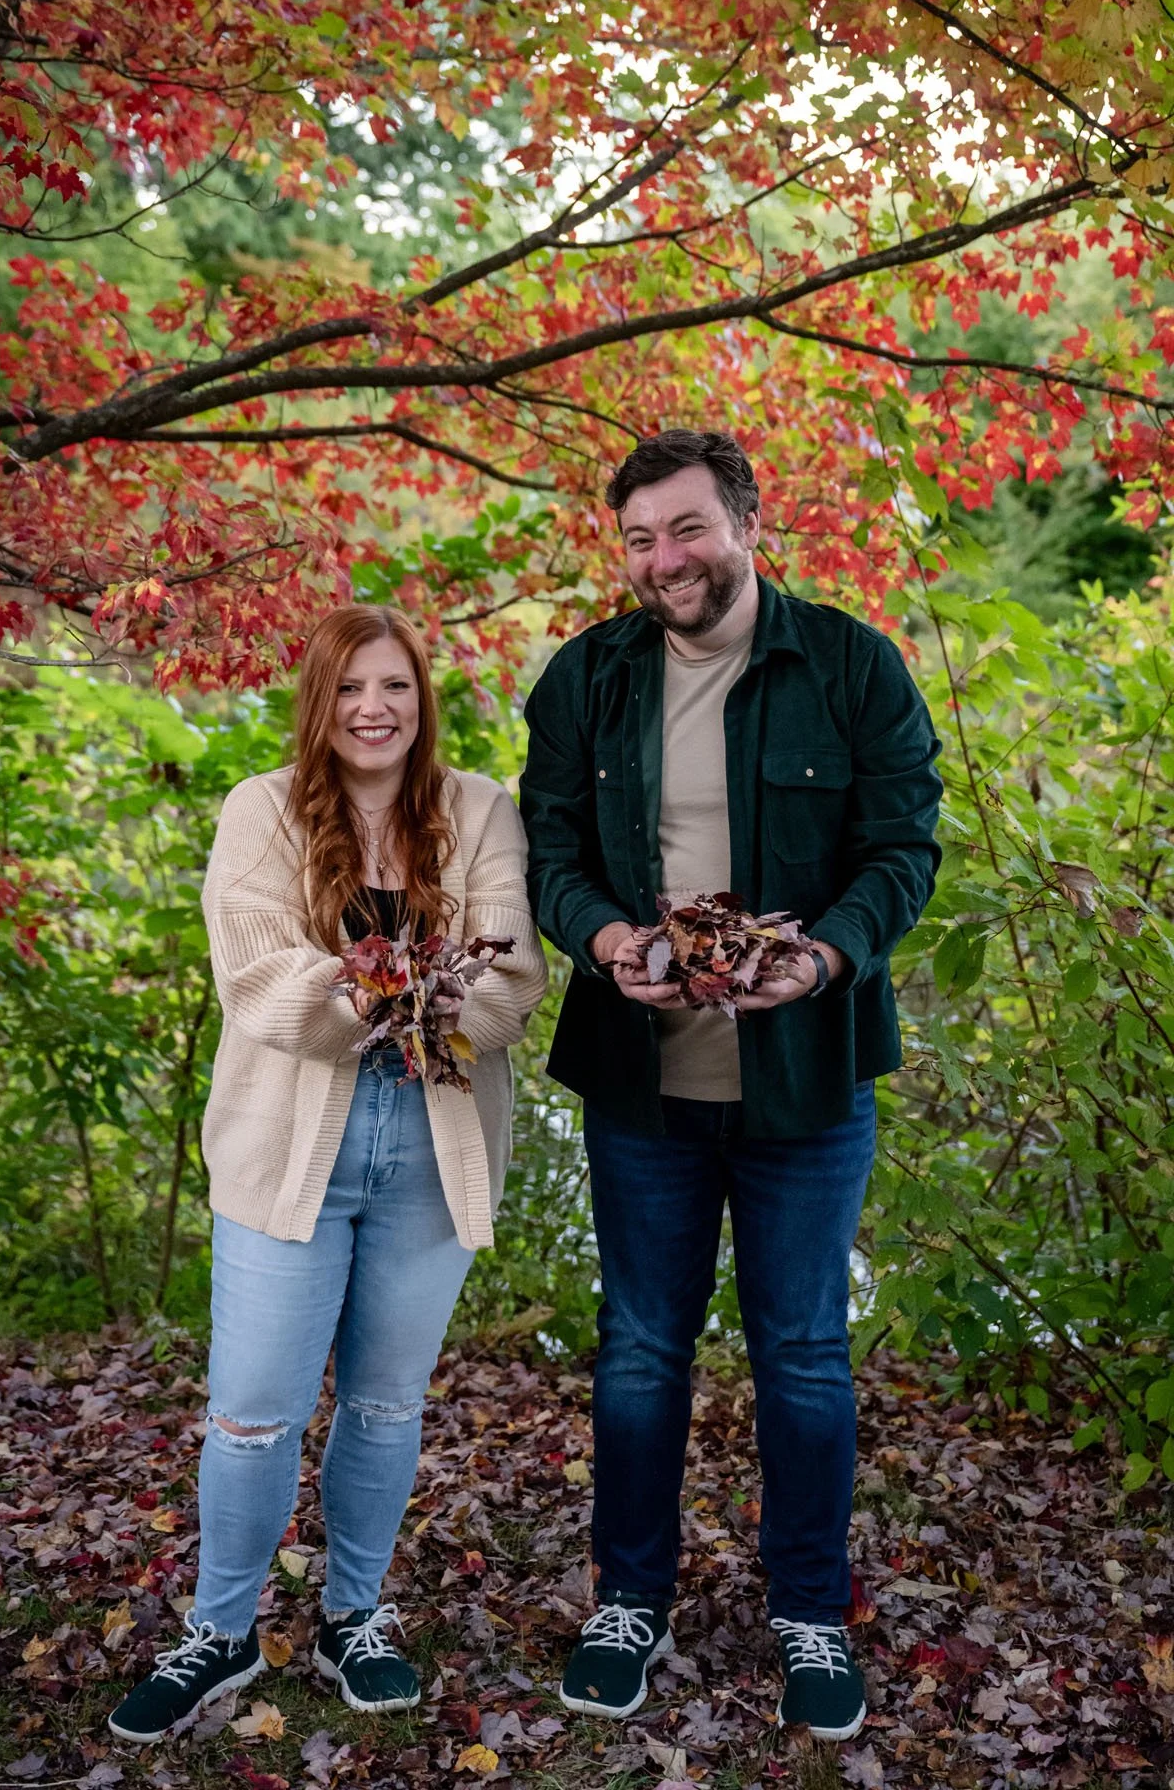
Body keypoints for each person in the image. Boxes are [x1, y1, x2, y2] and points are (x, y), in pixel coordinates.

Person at [520, 429, 942, 1741]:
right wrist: (605, 942)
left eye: (687, 530)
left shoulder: (853, 666)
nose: (664, 561)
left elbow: (903, 847)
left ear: (747, 521)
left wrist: (823, 955)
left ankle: (810, 1611)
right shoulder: (587, 677)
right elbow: (545, 849)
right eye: (640, 539)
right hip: (641, 1088)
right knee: (641, 1353)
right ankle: (629, 1598)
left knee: (805, 1360)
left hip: (806, 1087)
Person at [108, 605, 547, 1743]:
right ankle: (220, 1630)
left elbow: (510, 986)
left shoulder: (479, 810)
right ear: (320, 699)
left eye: (395, 686)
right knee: (253, 1415)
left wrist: (394, 994)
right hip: (286, 1151)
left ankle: (356, 1613)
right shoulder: (260, 811)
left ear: (421, 699)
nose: (373, 708)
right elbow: (259, 982)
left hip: (431, 1152)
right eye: (351, 687)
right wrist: (406, 991)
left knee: (386, 1402)